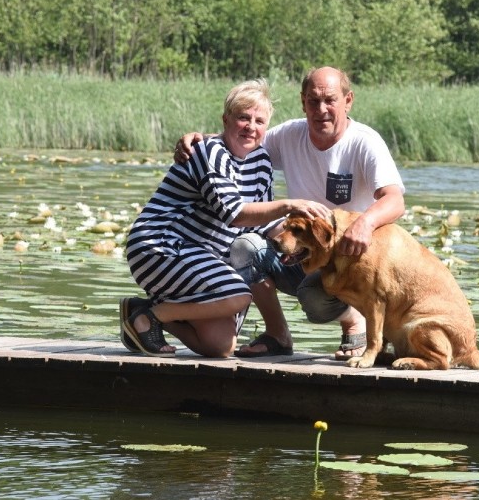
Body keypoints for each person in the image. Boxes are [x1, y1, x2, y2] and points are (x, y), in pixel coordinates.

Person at [174, 66, 405, 359]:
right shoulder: (289, 135)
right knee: (244, 247)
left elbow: (394, 200)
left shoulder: (365, 142)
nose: (321, 109)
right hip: (301, 254)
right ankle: (277, 334)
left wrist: (365, 224)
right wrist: (200, 140)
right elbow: (246, 136)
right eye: (313, 101)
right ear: (303, 101)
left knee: (314, 298)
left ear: (347, 101)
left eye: (329, 100)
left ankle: (354, 322)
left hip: (348, 263)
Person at [121, 78, 330, 358]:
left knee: (220, 345)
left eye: (259, 121)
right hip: (160, 246)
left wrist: (312, 242)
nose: (251, 127)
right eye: (243, 118)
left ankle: (141, 314)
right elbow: (233, 214)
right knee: (239, 294)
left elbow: (263, 223)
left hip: (200, 259)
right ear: (226, 119)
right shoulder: (210, 152)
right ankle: (154, 313)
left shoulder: (262, 161)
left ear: (267, 127)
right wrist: (290, 204)